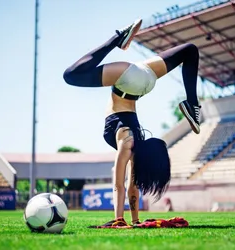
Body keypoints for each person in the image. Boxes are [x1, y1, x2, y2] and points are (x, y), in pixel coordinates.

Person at [63, 19, 201, 227]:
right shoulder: (129, 142)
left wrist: (135, 221)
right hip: (129, 80)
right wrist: (121, 219)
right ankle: (117, 39)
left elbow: (129, 187)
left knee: (190, 51)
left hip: (145, 78)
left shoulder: (138, 144)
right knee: (71, 76)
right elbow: (120, 185)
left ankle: (193, 104)